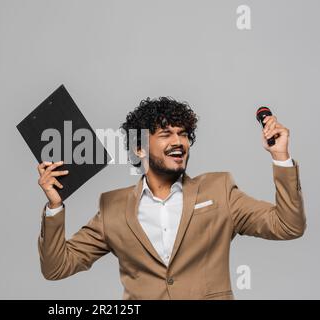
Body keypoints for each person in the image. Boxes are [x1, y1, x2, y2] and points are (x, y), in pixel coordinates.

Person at [36, 97, 306, 300]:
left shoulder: (218, 190)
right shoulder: (112, 207)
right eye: (166, 134)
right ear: (139, 147)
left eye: (184, 134)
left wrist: (280, 157)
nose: (179, 141)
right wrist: (54, 206)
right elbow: (56, 267)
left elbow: (289, 226)